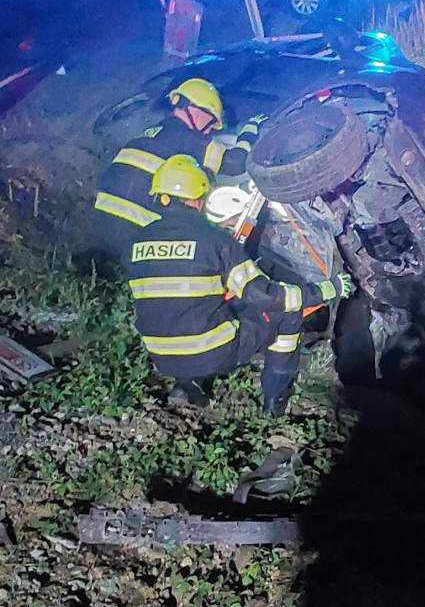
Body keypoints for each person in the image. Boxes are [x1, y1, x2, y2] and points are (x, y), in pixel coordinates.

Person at [121, 154, 349, 416]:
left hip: (161, 356)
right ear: (198, 197)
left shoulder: (135, 242)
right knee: (287, 312)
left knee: (195, 308)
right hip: (212, 353)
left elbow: (173, 295)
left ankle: (184, 385)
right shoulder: (214, 241)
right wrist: (326, 290)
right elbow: (265, 297)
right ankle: (275, 403)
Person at [94, 77, 267, 251]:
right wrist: (250, 130)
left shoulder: (153, 133)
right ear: (195, 110)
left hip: (105, 227)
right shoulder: (184, 138)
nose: (212, 129)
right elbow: (235, 163)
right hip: (139, 231)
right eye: (212, 121)